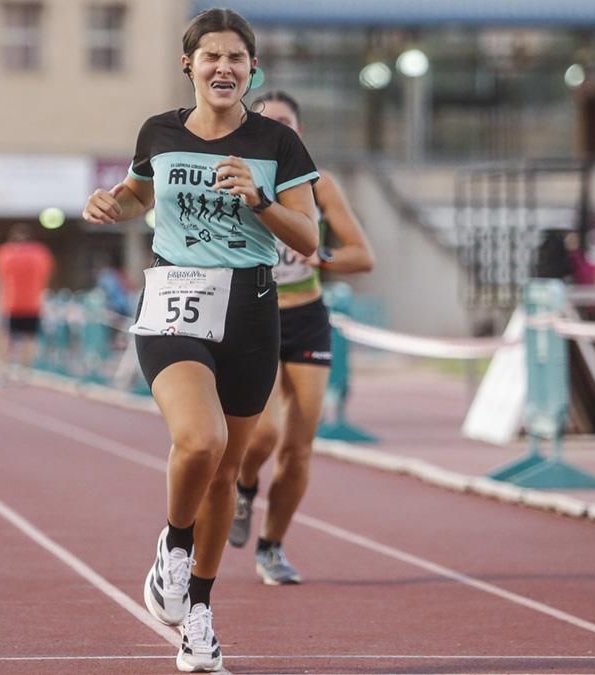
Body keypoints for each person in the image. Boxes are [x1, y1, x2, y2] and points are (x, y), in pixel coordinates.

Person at [82, 8, 319, 672]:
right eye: (211, 56)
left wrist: (261, 202)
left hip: (251, 311)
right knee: (201, 440)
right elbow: (138, 196)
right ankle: (175, 545)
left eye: (236, 58)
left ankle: (199, 617)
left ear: (253, 69)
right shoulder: (159, 131)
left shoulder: (277, 143)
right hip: (175, 300)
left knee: (225, 474)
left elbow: (309, 238)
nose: (224, 67)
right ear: (188, 65)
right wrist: (112, 203)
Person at [228, 90, 375, 585]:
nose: (276, 128)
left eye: (285, 121)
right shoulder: (234, 176)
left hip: (308, 317)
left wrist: (322, 256)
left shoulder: (319, 183)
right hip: (258, 315)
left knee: (298, 447)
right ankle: (245, 484)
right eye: (266, 120)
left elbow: (362, 256)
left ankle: (272, 547)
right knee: (263, 434)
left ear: (298, 130)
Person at [0, 223, 54, 382]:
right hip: (32, 303)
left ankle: (1, 371)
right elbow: (47, 275)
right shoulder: (40, 253)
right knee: (29, 338)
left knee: (5, 338)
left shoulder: (4, 252)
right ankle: (24, 372)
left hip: (10, 303)